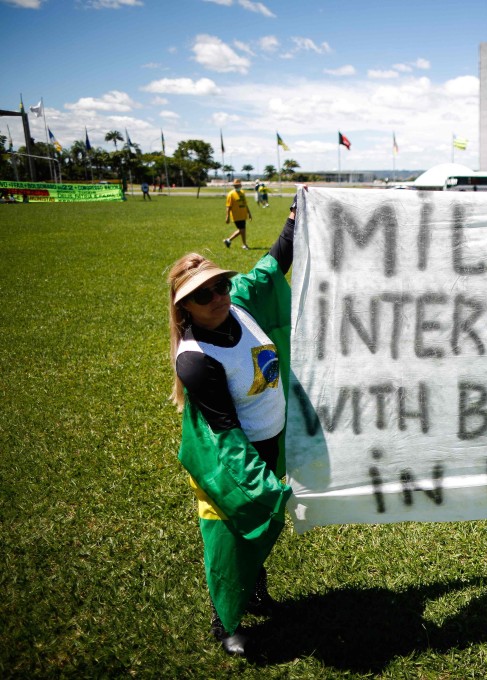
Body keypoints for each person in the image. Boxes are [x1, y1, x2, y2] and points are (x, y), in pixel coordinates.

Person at [168, 199, 297, 655]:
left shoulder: (236, 304)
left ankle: (255, 592)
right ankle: (223, 623)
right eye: (204, 295)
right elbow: (224, 432)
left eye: (221, 285)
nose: (219, 296)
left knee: (259, 527)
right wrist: (263, 484)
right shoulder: (196, 360)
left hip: (269, 438)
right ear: (184, 307)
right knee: (228, 536)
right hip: (229, 456)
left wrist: (295, 220)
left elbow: (269, 265)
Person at [224, 178, 253, 249]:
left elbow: (245, 204)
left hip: (243, 215)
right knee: (242, 230)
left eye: (238, 185)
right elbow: (228, 206)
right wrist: (227, 216)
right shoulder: (231, 194)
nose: (237, 187)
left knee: (243, 230)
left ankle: (242, 244)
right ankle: (230, 240)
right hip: (236, 215)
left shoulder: (242, 193)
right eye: (235, 185)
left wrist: (249, 213)